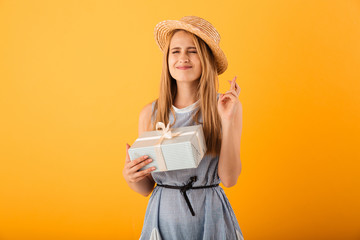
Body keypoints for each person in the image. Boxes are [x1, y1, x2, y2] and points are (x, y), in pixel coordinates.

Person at [123, 16, 244, 240]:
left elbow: (229, 179)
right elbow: (147, 188)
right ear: (167, 59)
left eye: (193, 50)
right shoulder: (149, 114)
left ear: (206, 58)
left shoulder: (226, 107)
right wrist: (132, 177)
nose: (183, 58)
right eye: (175, 51)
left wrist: (226, 120)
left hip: (211, 217)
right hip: (163, 218)